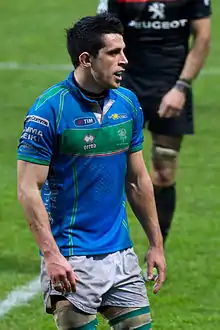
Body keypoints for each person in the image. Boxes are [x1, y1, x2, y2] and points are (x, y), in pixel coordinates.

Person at [17, 12, 166, 330]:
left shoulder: (127, 104)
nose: (124, 60)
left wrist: (156, 244)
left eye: (123, 51)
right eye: (114, 53)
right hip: (72, 257)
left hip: (121, 253)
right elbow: (28, 188)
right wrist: (51, 256)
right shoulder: (49, 112)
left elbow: (138, 180)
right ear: (86, 59)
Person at [98, 0, 211, 268]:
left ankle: (156, 249)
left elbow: (203, 37)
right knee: (106, 165)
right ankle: (101, 248)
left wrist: (181, 88)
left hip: (170, 84)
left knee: (164, 169)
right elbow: (100, 36)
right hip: (125, 83)